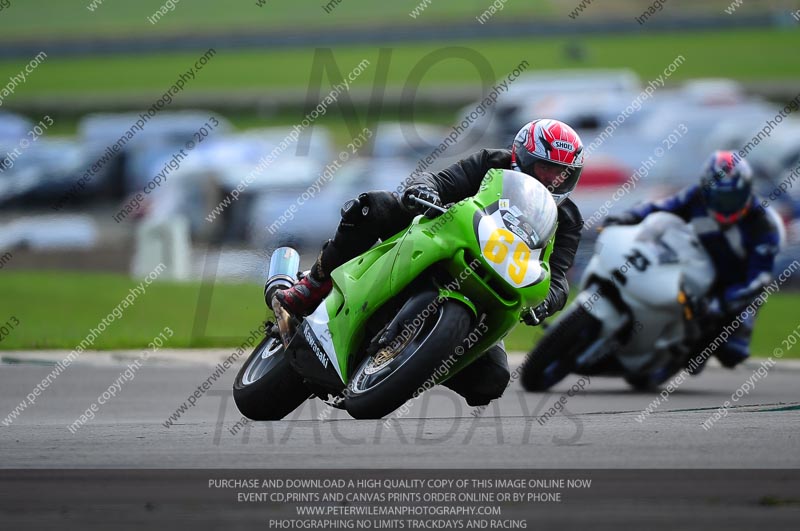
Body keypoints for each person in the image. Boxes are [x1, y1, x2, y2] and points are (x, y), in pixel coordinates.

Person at [274, 119, 586, 406]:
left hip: (494, 285)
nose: (551, 180)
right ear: (521, 157)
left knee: (491, 381)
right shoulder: (492, 164)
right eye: (544, 169)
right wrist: (425, 190)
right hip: (442, 240)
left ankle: (412, 365)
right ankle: (314, 284)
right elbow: (440, 179)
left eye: (562, 174)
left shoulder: (568, 219)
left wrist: (546, 303)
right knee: (377, 206)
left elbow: (557, 278)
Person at [604, 150, 783, 375]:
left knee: (732, 352)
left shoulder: (763, 225)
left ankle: (690, 349)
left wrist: (723, 304)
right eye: (718, 198)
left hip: (733, 286)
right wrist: (629, 216)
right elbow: (661, 207)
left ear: (746, 192)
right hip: (696, 265)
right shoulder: (696, 195)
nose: (724, 206)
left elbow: (759, 279)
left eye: (731, 199)